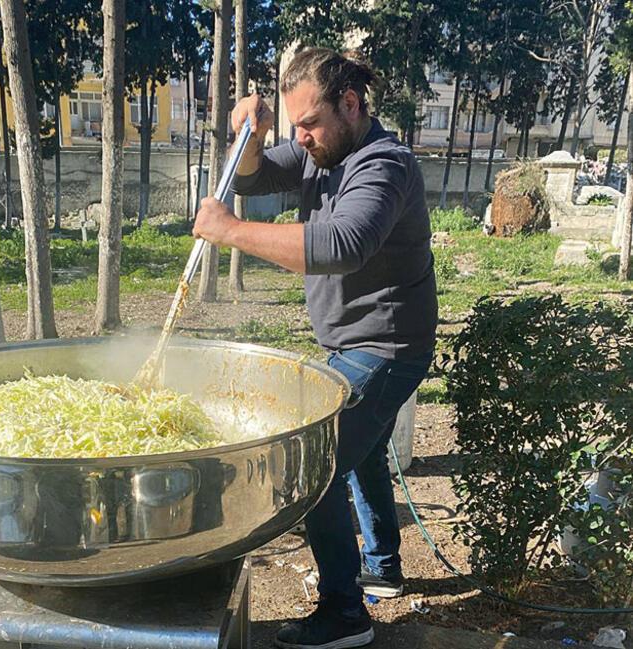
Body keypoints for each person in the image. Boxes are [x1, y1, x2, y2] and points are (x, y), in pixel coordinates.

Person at [193, 48, 438, 649]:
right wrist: (250, 133)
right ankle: (380, 566)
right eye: (293, 123)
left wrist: (228, 232)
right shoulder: (316, 151)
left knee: (316, 469)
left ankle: (344, 616)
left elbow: (342, 243)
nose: (299, 137)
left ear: (350, 106)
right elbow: (250, 177)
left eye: (309, 123)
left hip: (385, 346)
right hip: (356, 341)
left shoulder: (384, 164)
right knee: (365, 452)